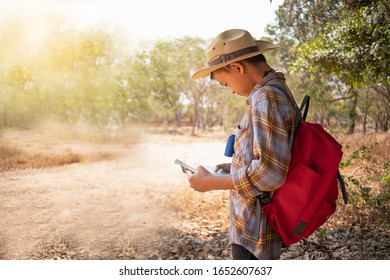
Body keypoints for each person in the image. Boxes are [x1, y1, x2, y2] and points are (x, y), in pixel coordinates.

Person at [188, 29, 298, 260]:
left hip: (254, 231)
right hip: (252, 223)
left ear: (237, 68)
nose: (230, 89)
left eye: (225, 83)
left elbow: (269, 174)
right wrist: (231, 167)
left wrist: (211, 183)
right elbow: (268, 157)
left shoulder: (265, 98)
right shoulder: (271, 93)